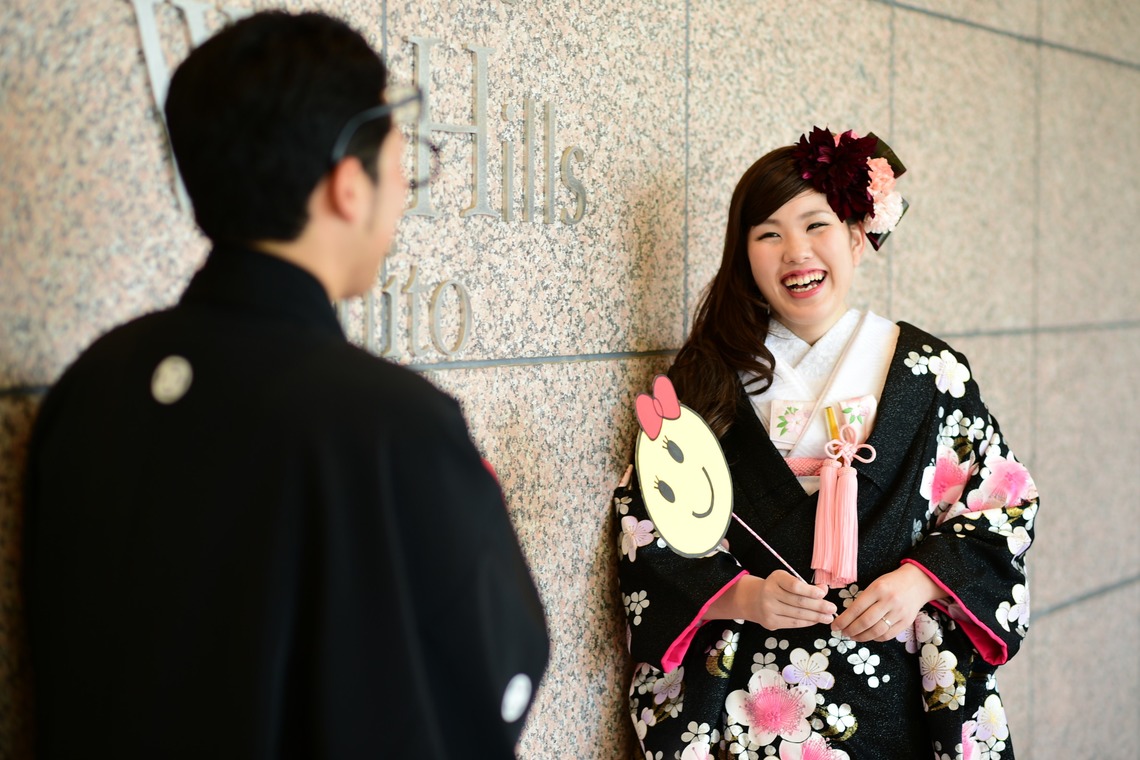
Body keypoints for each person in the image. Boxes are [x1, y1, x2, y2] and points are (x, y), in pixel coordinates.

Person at [24, 11, 547, 759]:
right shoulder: (391, 423)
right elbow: (493, 665)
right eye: (402, 167)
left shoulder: (93, 384)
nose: (403, 196)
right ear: (346, 187)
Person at [614, 127, 1036, 759]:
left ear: (857, 237)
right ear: (744, 257)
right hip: (749, 697)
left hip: (899, 686)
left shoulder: (929, 372)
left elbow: (1001, 503)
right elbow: (646, 518)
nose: (796, 252)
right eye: (769, 235)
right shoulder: (705, 380)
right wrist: (743, 595)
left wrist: (921, 581)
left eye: (817, 226)